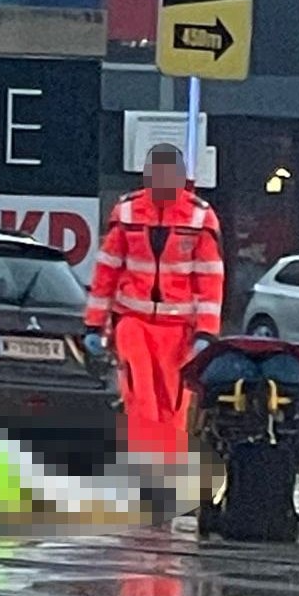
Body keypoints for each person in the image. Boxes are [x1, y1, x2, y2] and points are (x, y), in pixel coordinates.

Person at [83, 143, 225, 459]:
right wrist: (94, 324)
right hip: (133, 322)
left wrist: (206, 332)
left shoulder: (200, 217)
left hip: (178, 328)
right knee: (141, 398)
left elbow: (210, 278)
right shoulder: (128, 211)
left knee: (173, 404)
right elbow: (107, 270)